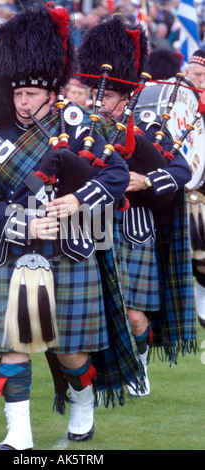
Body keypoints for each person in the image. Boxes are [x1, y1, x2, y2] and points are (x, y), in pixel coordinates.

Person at [0, 3, 144, 450]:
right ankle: (18, 434)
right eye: (17, 94)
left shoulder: (78, 128)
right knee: (15, 345)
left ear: (50, 92)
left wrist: (77, 200)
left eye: (29, 94)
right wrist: (25, 224)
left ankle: (83, 405)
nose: (21, 102)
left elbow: (117, 175)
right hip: (15, 252)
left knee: (71, 350)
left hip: (70, 250)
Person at [77, 14, 197, 396]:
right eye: (95, 92)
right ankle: (97, 381)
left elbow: (180, 171)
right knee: (90, 313)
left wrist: (145, 180)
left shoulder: (146, 130)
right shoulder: (75, 126)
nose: (99, 101)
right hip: (88, 226)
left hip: (134, 227)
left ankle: (140, 362)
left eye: (107, 95)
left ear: (126, 97)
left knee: (133, 315)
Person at [185, 49, 205, 329]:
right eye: (197, 74)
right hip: (189, 184)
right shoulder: (178, 100)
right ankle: (201, 284)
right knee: (198, 247)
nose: (200, 80)